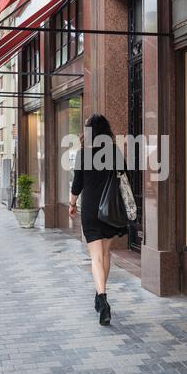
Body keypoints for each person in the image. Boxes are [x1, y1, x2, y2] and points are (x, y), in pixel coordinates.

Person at [69, 115, 128, 326]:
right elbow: (124, 177)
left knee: (96, 257)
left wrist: (72, 204)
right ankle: (100, 293)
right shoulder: (114, 152)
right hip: (110, 211)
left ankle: (102, 301)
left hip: (91, 211)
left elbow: (77, 185)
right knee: (105, 254)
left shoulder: (82, 155)